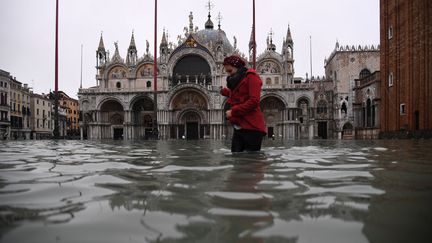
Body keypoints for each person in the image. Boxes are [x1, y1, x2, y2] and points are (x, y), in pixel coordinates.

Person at [220, 55, 266, 152]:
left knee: (251, 161)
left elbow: (254, 101)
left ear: (238, 68)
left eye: (230, 71)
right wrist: (224, 91)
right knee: (236, 158)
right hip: (239, 126)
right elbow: (240, 94)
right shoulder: (237, 80)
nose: (228, 75)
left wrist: (233, 112)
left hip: (252, 127)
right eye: (227, 72)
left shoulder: (251, 77)